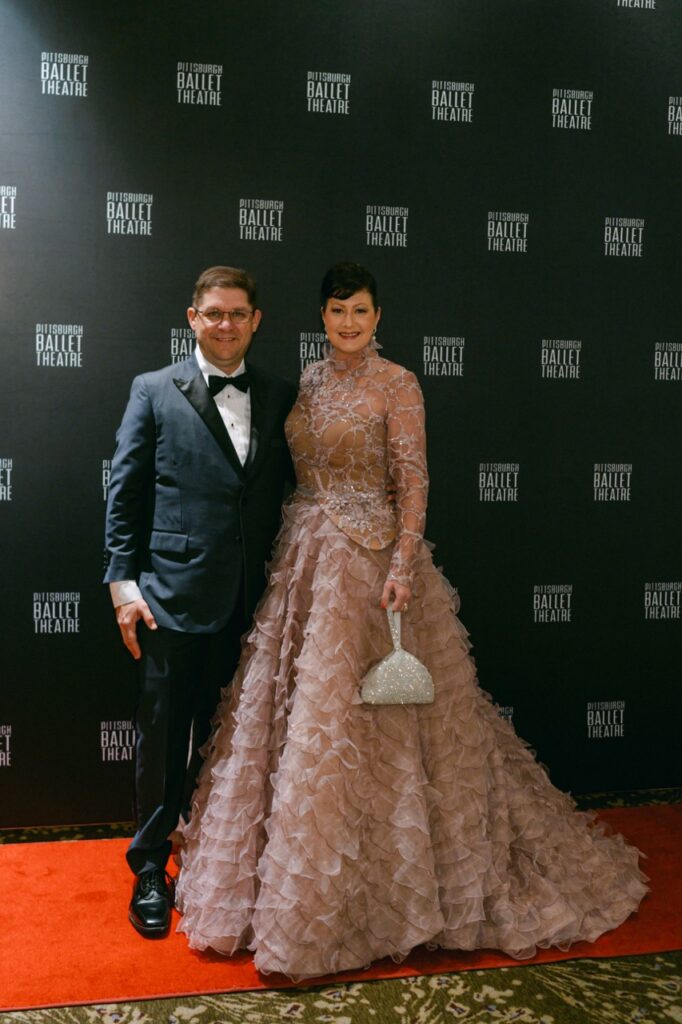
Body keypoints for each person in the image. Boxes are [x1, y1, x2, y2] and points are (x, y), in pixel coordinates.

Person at [175, 261, 647, 979]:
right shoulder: (306, 379)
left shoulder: (399, 384)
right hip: (305, 564)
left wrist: (400, 570)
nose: (348, 324)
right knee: (305, 726)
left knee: (389, 731)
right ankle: (305, 895)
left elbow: (415, 480)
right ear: (322, 318)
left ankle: (402, 899)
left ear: (379, 316)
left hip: (371, 570)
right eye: (337, 313)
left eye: (360, 312)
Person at [104, 266, 296, 938]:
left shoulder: (278, 393)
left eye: (238, 314)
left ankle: (221, 864)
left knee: (234, 742)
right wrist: (123, 589)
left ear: (256, 320)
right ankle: (151, 867)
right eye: (213, 313)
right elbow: (125, 495)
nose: (225, 325)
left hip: (256, 603)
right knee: (163, 736)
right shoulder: (153, 391)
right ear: (192, 317)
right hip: (170, 598)